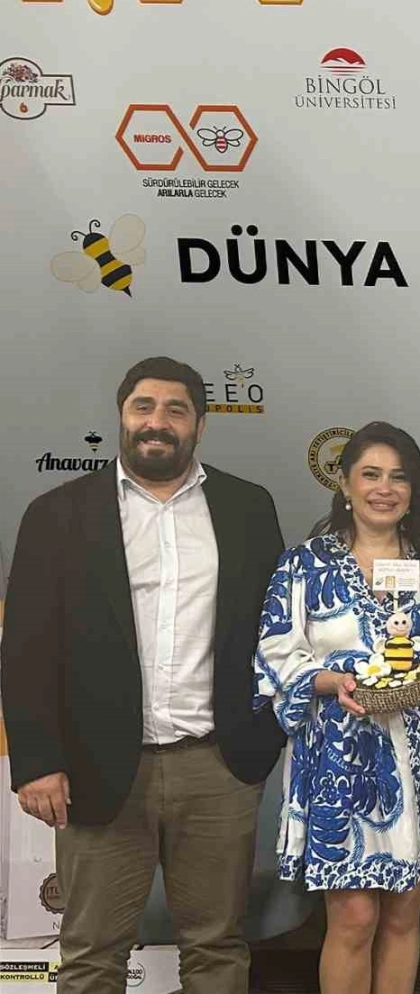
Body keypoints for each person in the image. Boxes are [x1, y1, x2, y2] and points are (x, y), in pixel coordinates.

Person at [1, 356, 285, 994]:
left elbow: (273, 630)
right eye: (143, 407)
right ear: (122, 417)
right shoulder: (58, 513)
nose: (157, 422)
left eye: (176, 410)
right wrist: (38, 761)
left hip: (217, 768)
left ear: (200, 426)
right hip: (98, 769)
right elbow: (25, 648)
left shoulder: (247, 507)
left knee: (217, 948)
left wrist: (263, 738)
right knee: (92, 954)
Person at [254, 421, 420, 994]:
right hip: (340, 760)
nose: (385, 489)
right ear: (345, 484)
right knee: (354, 919)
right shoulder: (305, 564)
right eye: (371, 475)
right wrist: (329, 680)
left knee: (404, 914)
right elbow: (276, 651)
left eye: (398, 477)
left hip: (419, 756)